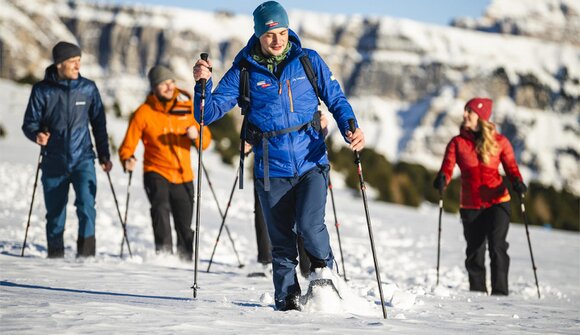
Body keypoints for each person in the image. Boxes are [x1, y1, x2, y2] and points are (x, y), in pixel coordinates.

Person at [193, 1, 365, 311]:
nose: (278, 40)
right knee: (282, 244)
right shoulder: (243, 70)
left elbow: (336, 98)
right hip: (271, 169)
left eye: (283, 32)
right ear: (259, 34)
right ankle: (287, 304)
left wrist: (350, 127)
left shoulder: (308, 61)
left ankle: (325, 274)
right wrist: (202, 84)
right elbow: (206, 114)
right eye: (270, 34)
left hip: (311, 160)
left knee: (310, 225)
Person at [22, 41, 112, 258]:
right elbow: (29, 123)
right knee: (55, 213)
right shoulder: (42, 90)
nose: (77, 66)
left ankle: (86, 257)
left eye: (79, 61)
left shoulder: (88, 88)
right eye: (73, 61)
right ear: (60, 63)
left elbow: (98, 123)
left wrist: (104, 155)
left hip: (83, 158)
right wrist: (37, 135)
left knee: (87, 206)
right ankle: (55, 257)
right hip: (54, 159)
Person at [433, 97, 527, 296]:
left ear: (481, 117)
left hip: (498, 201)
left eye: (470, 111)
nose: (465, 114)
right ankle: (477, 296)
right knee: (475, 251)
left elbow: (511, 167)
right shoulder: (457, 143)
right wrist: (442, 178)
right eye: (465, 110)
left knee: (497, 245)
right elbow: (447, 167)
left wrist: (517, 181)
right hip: (470, 204)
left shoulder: (500, 142)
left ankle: (500, 295)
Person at [118, 65, 212, 261]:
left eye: (171, 82)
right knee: (160, 209)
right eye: (163, 84)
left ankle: (186, 261)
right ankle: (164, 255)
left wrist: (197, 135)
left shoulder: (187, 106)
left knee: (184, 223)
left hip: (183, 174)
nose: (169, 87)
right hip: (155, 170)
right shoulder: (143, 113)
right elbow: (128, 144)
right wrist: (127, 158)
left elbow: (205, 143)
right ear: (154, 88)